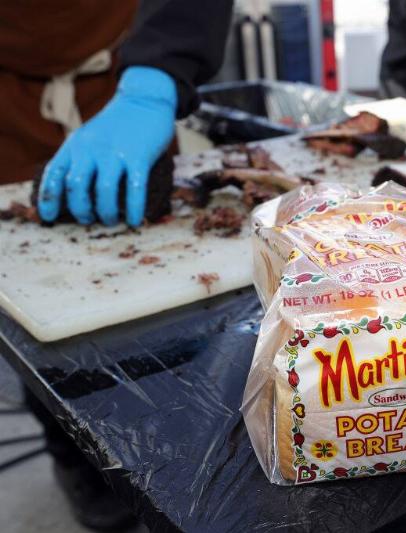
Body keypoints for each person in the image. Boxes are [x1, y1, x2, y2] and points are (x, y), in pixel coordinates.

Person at [0, 0, 232, 529]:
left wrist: (154, 81)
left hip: (125, 82)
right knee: (42, 324)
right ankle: (81, 466)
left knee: (174, 306)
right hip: (8, 109)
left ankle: (184, 445)